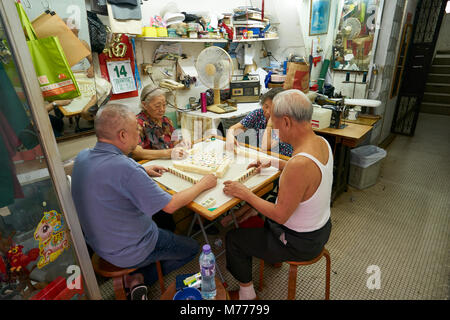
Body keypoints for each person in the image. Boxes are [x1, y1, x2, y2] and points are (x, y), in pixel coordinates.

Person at [71, 103, 217, 300]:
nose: (139, 136)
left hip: (97, 245)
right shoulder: (125, 168)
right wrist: (203, 183)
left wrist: (142, 170)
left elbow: (114, 172)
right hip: (130, 249)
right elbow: (171, 206)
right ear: (122, 135)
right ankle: (137, 280)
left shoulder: (82, 157)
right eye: (136, 131)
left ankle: (137, 274)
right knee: (192, 247)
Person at [222, 89, 333, 300]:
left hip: (300, 243)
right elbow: (302, 169)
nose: (273, 131)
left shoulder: (299, 165)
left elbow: (280, 215)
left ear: (287, 122)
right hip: (321, 230)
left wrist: (245, 193)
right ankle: (270, 254)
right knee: (265, 206)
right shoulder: (322, 144)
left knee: (234, 239)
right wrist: (272, 161)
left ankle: (248, 296)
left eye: (274, 124)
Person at [222, 87, 293, 227]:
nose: (267, 111)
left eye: (272, 109)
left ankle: (241, 212)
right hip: (262, 158)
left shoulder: (283, 121)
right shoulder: (258, 114)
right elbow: (234, 128)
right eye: (266, 106)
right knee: (246, 175)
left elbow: (265, 146)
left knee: (264, 183)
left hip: (282, 161)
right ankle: (250, 209)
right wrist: (230, 136)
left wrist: (270, 123)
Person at [132, 85, 190, 161]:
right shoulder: (137, 123)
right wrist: (167, 153)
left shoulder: (166, 121)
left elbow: (175, 142)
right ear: (144, 105)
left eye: (164, 105)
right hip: (151, 166)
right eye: (157, 106)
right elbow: (136, 153)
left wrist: (181, 143)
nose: (162, 109)